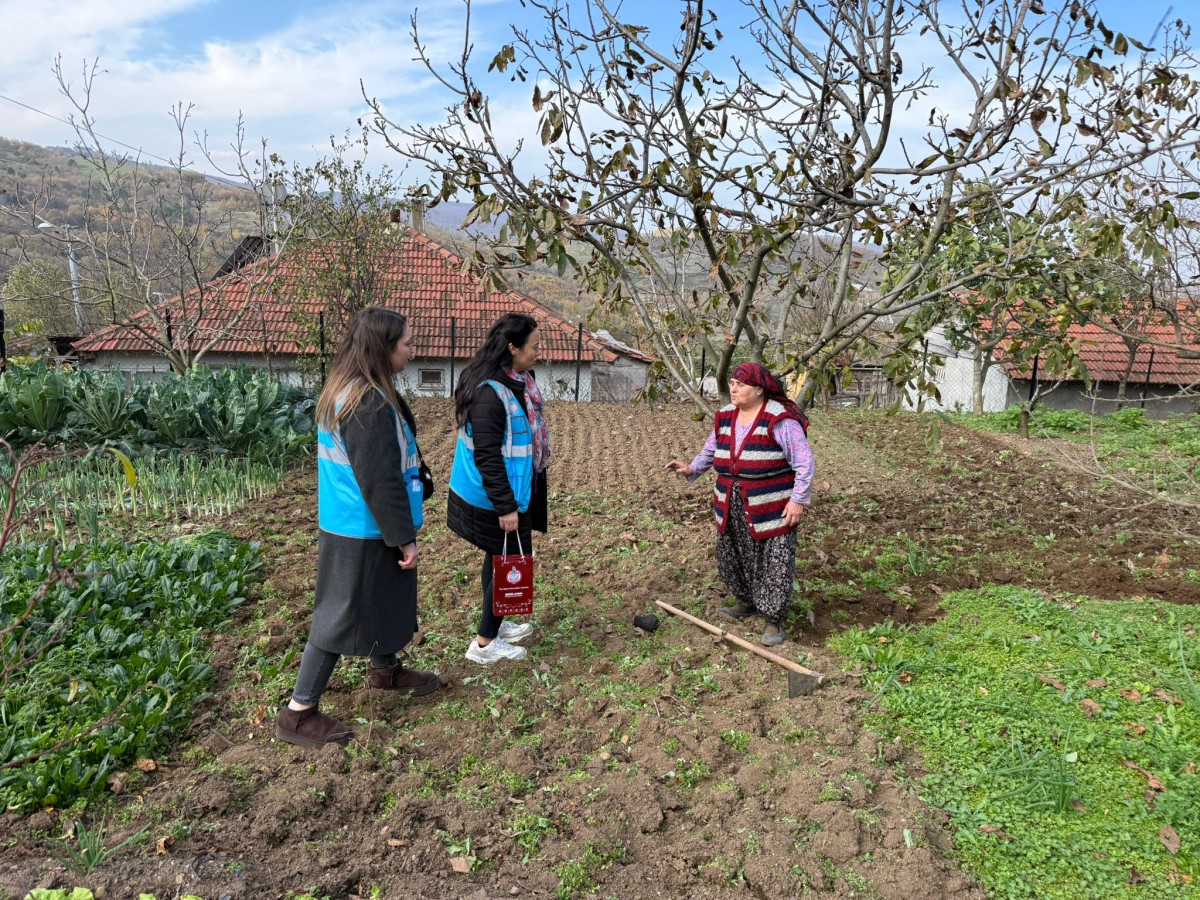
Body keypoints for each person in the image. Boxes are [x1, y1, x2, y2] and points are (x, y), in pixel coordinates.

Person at [275, 307, 438, 750]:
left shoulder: (349, 390)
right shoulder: (366, 402)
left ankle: (384, 670)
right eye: (408, 343)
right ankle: (299, 711)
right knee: (338, 616)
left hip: (350, 522)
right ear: (384, 349)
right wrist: (403, 537)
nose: (413, 349)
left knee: (383, 598)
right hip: (362, 529)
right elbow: (378, 480)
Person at [667, 362, 814, 647]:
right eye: (732, 382)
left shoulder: (779, 419)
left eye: (740, 384)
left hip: (772, 504)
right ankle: (746, 601)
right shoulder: (725, 416)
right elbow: (712, 448)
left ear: (759, 389)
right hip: (730, 501)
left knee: (774, 559)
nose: (733, 388)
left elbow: (804, 462)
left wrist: (798, 500)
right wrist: (692, 469)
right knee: (733, 552)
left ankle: (773, 619)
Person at [447, 313, 550, 665]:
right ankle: (484, 642)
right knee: (509, 559)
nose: (539, 352)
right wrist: (506, 506)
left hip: (510, 492)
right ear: (512, 348)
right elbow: (488, 457)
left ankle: (497, 624)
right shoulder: (490, 395)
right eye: (533, 346)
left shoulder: (517, 380)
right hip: (493, 497)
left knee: (500, 557)